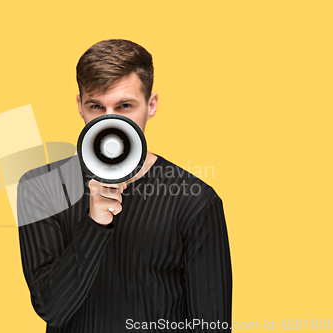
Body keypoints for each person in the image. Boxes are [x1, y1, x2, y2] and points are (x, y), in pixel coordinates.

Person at [17, 39, 232, 332]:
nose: (110, 123)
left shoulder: (194, 200)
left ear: (151, 105)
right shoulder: (41, 188)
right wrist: (95, 225)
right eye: (96, 106)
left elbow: (211, 325)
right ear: (80, 106)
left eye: (125, 106)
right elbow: (51, 308)